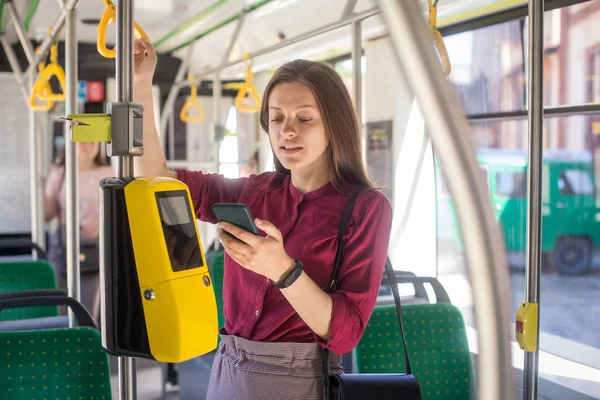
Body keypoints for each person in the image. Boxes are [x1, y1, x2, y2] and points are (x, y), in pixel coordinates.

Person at [133, 37, 392, 400]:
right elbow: (157, 181)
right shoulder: (253, 192)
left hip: (299, 379)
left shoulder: (366, 208)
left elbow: (346, 333)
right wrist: (142, 85)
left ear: (334, 126)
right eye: (276, 119)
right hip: (228, 369)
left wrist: (284, 271)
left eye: (305, 118)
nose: (287, 131)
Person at [43, 142, 113, 321]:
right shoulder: (59, 174)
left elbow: (119, 210)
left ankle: (87, 340)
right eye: (83, 142)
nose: (89, 146)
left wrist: (99, 222)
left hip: (96, 243)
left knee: (89, 307)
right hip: (63, 244)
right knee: (59, 304)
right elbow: (47, 214)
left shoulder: (109, 173)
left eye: (94, 143)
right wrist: (43, 190)